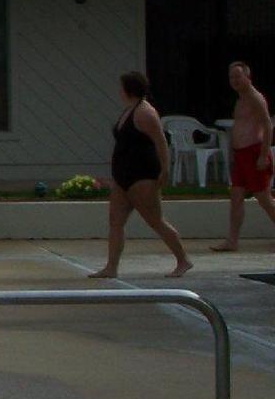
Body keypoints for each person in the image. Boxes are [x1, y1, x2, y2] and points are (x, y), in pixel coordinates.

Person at [92, 71, 192, 280]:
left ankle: (183, 260)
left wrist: (165, 169)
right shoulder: (129, 111)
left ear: (129, 88)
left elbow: (161, 142)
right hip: (123, 176)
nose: (119, 91)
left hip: (142, 175)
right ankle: (111, 267)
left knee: (156, 221)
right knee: (115, 221)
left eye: (121, 87)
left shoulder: (146, 112)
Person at [213, 60, 275, 252]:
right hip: (241, 155)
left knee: (263, 198)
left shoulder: (255, 98)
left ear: (248, 77)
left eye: (238, 76)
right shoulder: (240, 100)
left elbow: (267, 125)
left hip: (254, 152)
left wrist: (263, 155)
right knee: (236, 196)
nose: (235, 80)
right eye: (232, 77)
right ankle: (232, 240)